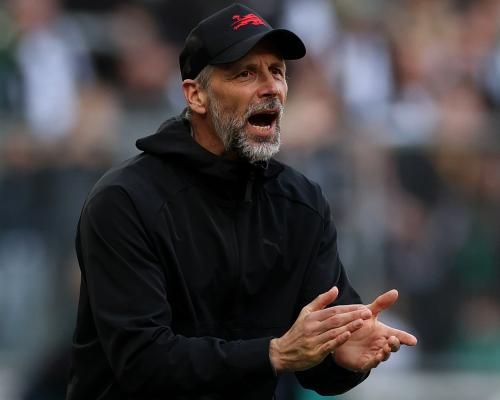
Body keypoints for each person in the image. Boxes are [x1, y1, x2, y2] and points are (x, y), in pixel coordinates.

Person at [66, 3, 417, 400]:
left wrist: (342, 357)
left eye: (277, 71)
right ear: (196, 95)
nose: (271, 88)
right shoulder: (125, 201)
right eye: (246, 73)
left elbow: (317, 361)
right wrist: (272, 354)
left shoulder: (301, 204)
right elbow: (143, 363)